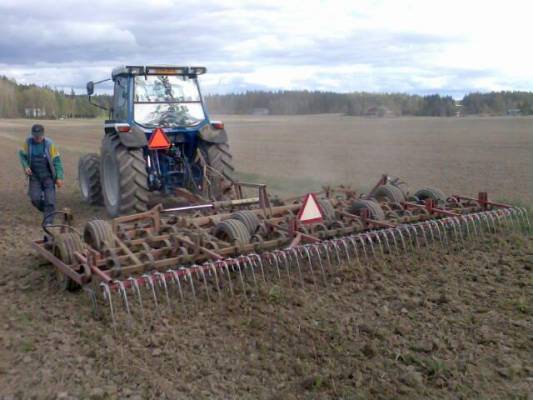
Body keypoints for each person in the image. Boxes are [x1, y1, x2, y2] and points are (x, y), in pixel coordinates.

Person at [19, 124, 64, 225]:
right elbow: (22, 155)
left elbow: (57, 161)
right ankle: (49, 211)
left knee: (50, 200)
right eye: (35, 136)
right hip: (34, 177)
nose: (37, 138)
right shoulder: (28, 143)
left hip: (48, 177)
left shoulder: (50, 144)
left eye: (39, 136)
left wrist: (59, 177)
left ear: (43, 135)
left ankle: (49, 222)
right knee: (35, 199)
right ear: (32, 135)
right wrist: (26, 166)